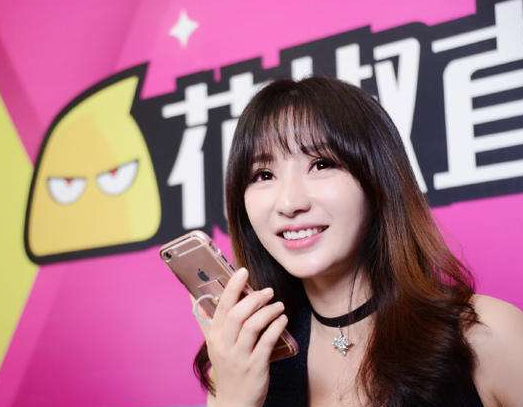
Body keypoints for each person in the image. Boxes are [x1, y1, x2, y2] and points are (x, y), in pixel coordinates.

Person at [190, 77, 523, 407]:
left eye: (321, 164)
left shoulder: (485, 333)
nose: (289, 203)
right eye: (263, 175)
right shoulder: (241, 362)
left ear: (376, 179)